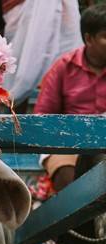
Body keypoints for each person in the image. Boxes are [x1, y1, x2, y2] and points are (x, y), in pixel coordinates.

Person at [34, 3, 106, 192]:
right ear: (89, 39)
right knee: (68, 180)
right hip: (66, 143)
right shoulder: (64, 67)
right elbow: (43, 117)